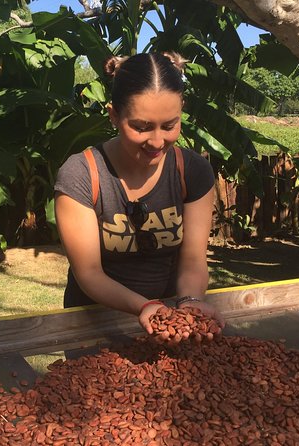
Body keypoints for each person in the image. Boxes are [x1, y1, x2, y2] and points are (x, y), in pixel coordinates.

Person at [54, 52, 224, 343]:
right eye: (142, 127)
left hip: (168, 323)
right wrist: (144, 307)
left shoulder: (193, 171)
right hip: (94, 326)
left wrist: (189, 302)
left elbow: (193, 259)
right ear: (114, 115)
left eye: (170, 126)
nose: (157, 142)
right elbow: (89, 273)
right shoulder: (80, 175)